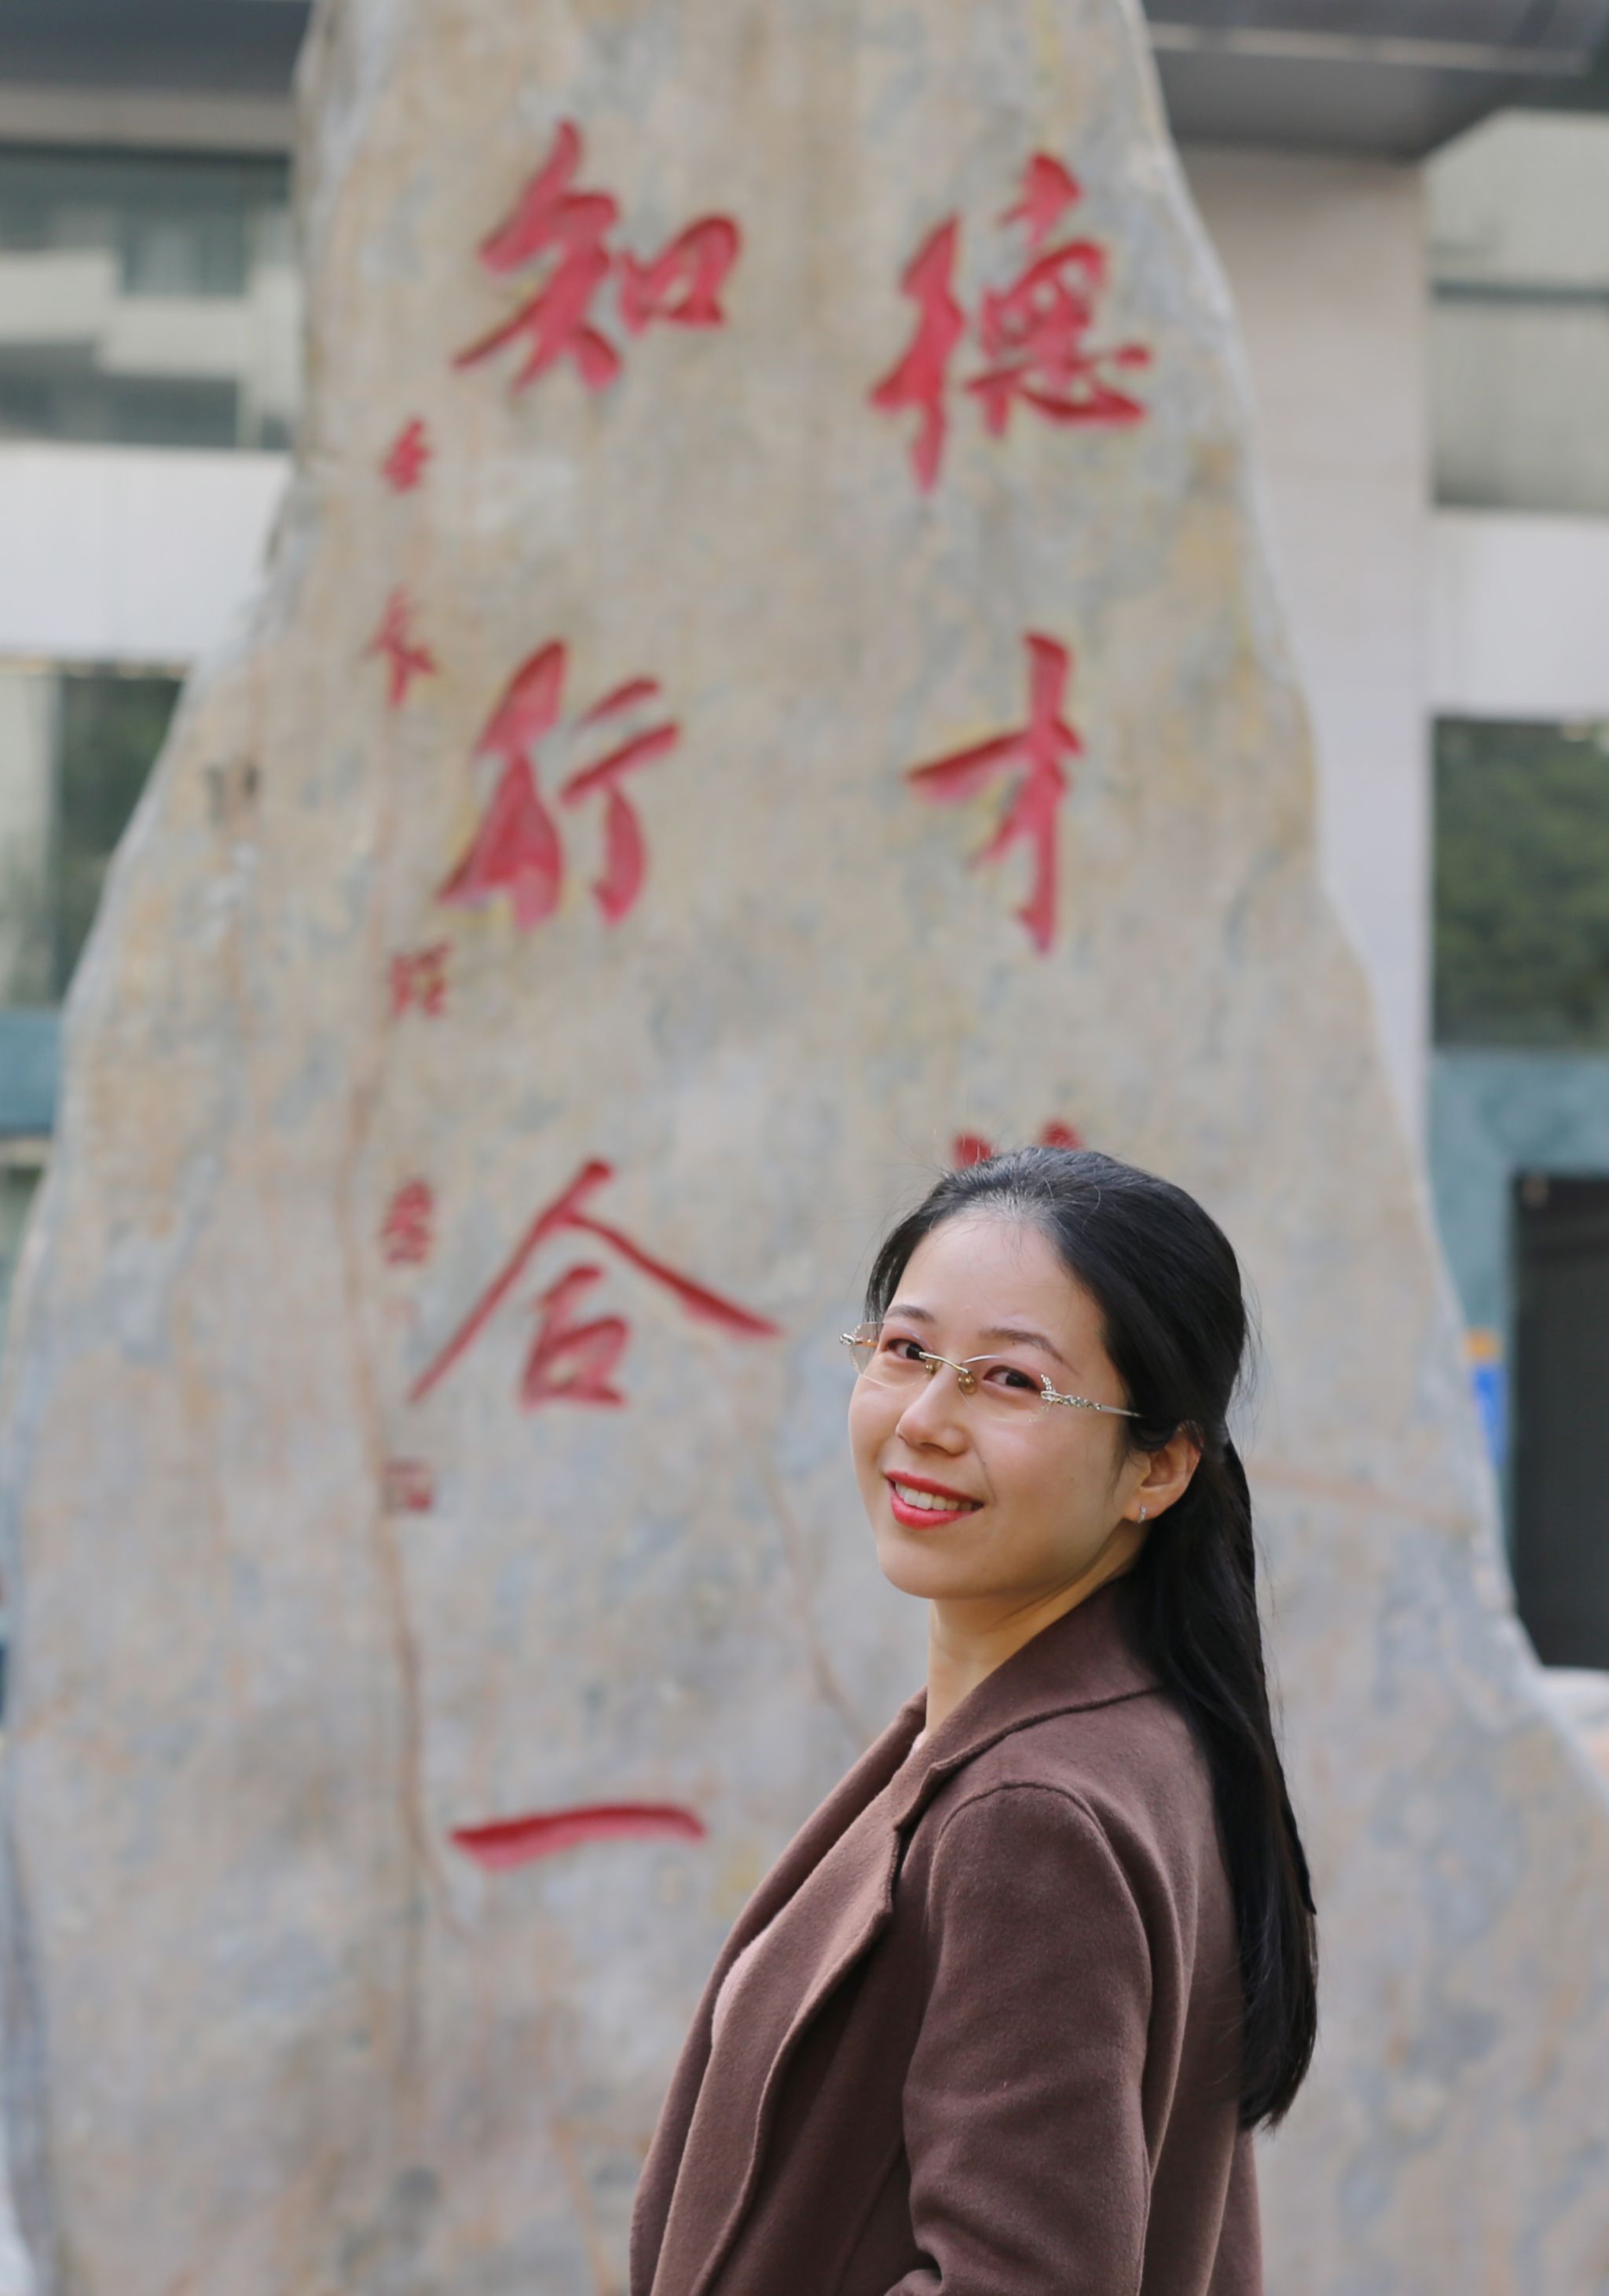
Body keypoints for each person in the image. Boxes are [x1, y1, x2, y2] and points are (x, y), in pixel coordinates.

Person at [631, 1146, 1318, 2296]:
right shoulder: (1124, 1733)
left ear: (1158, 1467)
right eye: (905, 1352)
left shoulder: (1032, 1815)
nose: (926, 1420)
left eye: (1011, 1381)